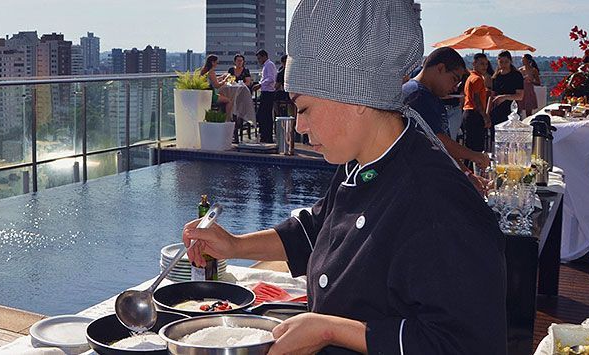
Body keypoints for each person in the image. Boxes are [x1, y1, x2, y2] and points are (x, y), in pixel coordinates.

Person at [183, 1, 507, 354]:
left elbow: (465, 342)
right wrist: (235, 245)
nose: (301, 127)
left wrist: (330, 331)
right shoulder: (365, 164)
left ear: (355, 96)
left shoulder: (437, 202)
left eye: (304, 108)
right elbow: (320, 230)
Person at [403, 47, 489, 185]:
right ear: (440, 68)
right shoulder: (416, 95)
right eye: (454, 79)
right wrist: (475, 156)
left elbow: (445, 149)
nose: (455, 87)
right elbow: (439, 141)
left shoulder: (429, 96)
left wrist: (468, 175)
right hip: (417, 182)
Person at [462, 53, 491, 153]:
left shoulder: (470, 77)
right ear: (474, 64)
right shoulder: (477, 79)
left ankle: (468, 167)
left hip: (468, 112)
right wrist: (485, 116)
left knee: (469, 145)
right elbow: (476, 99)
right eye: (482, 64)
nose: (484, 66)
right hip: (474, 113)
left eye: (486, 64)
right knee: (477, 147)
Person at [488, 51, 524, 128]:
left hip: (511, 111)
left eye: (506, 62)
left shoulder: (516, 75)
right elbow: (492, 95)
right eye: (501, 62)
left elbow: (520, 96)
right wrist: (487, 113)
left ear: (510, 61)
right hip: (496, 111)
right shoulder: (496, 77)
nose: (503, 64)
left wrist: (504, 97)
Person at [255, 49, 278, 143]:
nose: (259, 60)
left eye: (260, 58)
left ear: (264, 56)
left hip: (268, 92)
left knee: (266, 115)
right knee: (263, 115)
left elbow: (271, 78)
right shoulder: (266, 65)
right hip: (266, 92)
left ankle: (267, 136)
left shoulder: (269, 65)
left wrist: (260, 84)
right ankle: (264, 135)